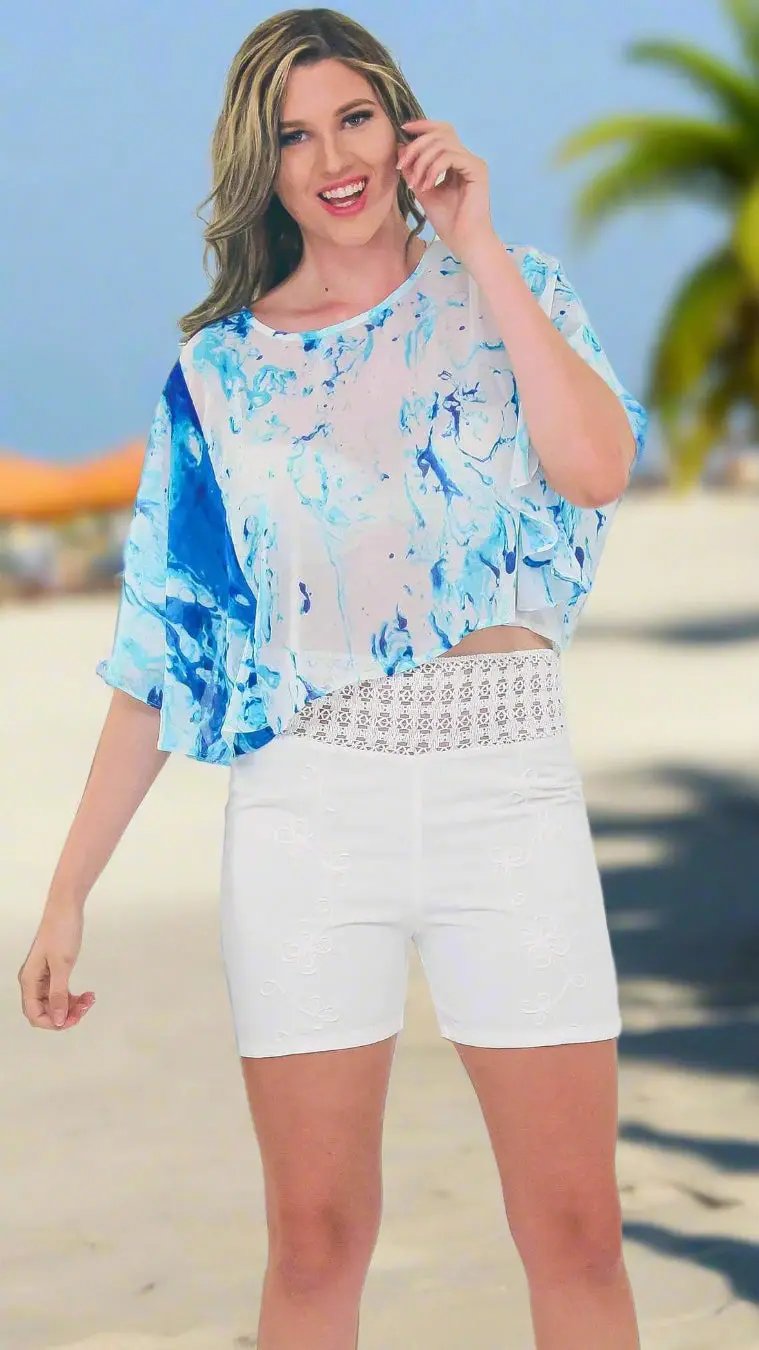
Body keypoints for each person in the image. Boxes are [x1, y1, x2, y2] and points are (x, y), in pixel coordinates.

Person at [18, 8, 648, 1348]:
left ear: (404, 124)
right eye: (292, 136)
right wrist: (67, 889)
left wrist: (478, 245)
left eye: (353, 118)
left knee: (579, 1236)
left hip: (509, 794)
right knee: (313, 1246)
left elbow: (597, 468)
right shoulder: (217, 377)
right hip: (312, 813)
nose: (330, 157)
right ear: (264, 166)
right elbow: (163, 650)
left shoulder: (507, 287)